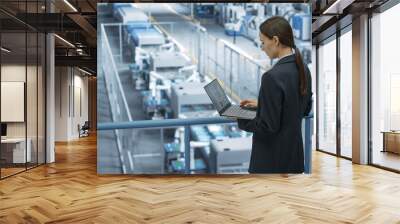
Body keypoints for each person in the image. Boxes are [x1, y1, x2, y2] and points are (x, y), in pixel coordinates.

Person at [237, 16, 312, 174]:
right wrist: (264, 104)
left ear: (276, 40)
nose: (262, 47)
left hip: (270, 160)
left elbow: (267, 127)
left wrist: (240, 116)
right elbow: (303, 109)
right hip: (293, 156)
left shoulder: (272, 77)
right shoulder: (303, 69)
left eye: (263, 42)